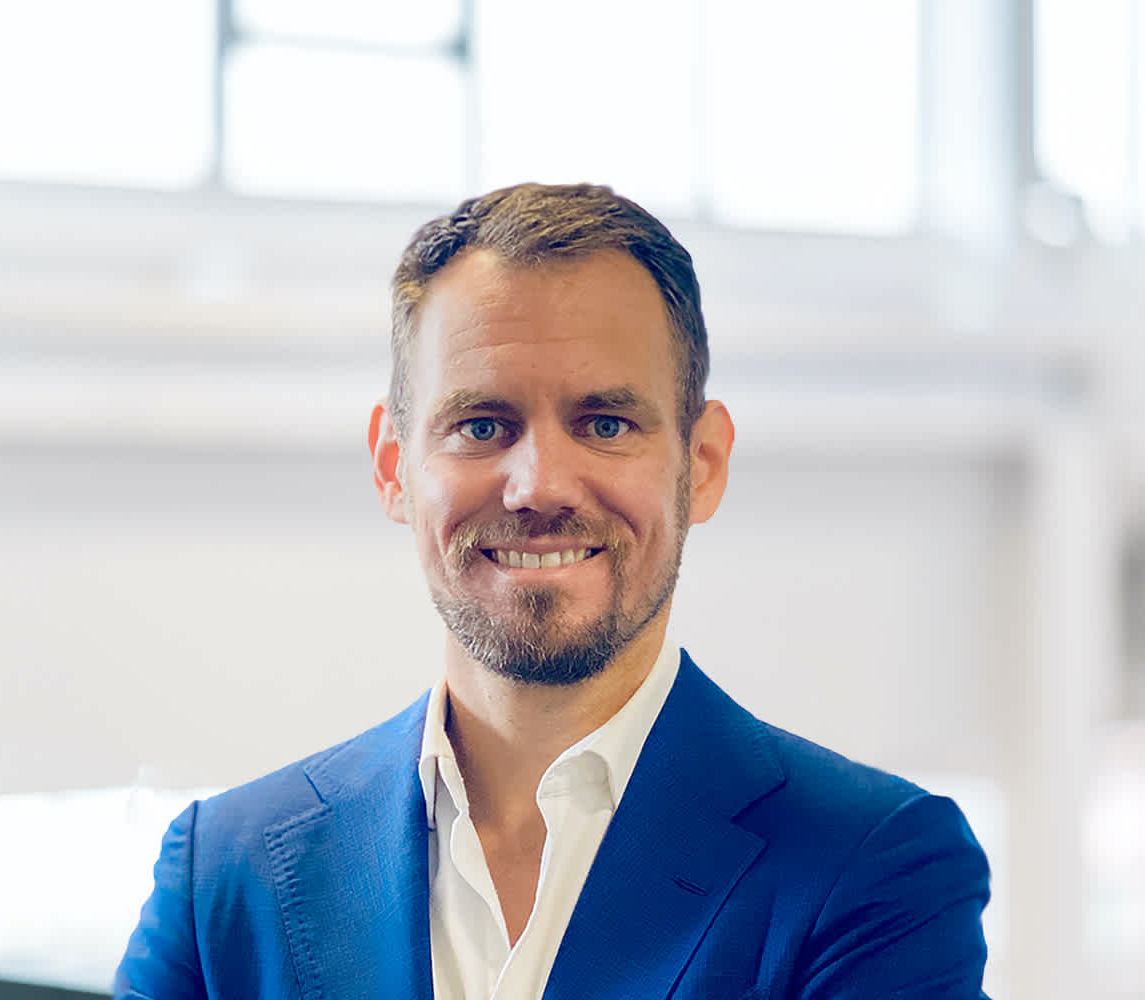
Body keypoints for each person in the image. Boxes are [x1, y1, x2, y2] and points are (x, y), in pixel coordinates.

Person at [114, 183, 992, 999]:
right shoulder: (223, 877)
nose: (538, 486)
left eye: (605, 423)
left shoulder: (873, 868)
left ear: (703, 463)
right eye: (481, 425)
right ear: (393, 467)